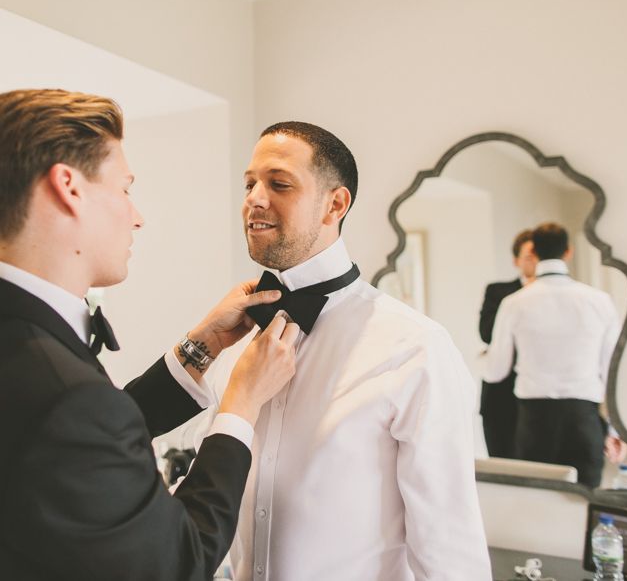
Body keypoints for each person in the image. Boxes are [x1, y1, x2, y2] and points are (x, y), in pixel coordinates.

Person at [0, 89, 299, 580]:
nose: (136, 215)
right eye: (124, 189)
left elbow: (71, 446)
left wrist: (196, 351)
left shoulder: (27, 351)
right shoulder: (64, 396)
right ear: (68, 187)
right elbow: (178, 561)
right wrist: (240, 406)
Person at [203, 122, 491, 580]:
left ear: (335, 204)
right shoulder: (236, 340)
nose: (254, 198)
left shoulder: (415, 347)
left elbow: (449, 548)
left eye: (278, 183)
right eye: (249, 183)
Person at [483, 222, 620, 487]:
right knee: (583, 505)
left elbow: (496, 371)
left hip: (535, 421)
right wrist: (615, 430)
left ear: (533, 251)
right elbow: (612, 374)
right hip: (584, 418)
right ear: (568, 252)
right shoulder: (599, 301)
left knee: (536, 505)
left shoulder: (514, 303)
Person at [478, 229, 536, 458]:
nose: (535, 262)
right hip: (501, 392)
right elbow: (486, 333)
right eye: (529, 257)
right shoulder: (499, 292)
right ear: (516, 261)